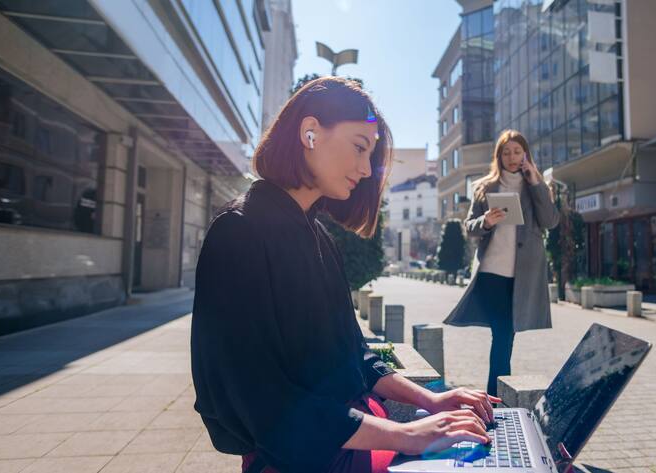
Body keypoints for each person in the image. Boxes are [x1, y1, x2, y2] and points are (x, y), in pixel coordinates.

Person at [190, 77, 500, 473]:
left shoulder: (317, 233)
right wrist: (407, 435)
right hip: (301, 459)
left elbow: (355, 355)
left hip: (353, 437)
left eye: (370, 154)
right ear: (310, 132)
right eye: (359, 147)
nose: (367, 169)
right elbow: (260, 400)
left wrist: (433, 400)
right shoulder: (239, 230)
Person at [444, 130, 559, 397]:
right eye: (506, 152)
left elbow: (550, 221)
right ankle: (496, 400)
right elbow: (469, 228)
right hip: (492, 273)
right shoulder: (484, 186)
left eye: (517, 151)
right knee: (503, 337)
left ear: (526, 154)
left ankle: (495, 400)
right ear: (499, 156)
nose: (512, 157)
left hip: (523, 277)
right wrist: (486, 221)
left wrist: (535, 182)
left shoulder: (537, 187)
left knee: (505, 338)